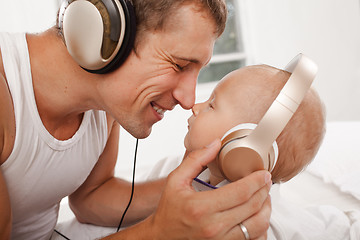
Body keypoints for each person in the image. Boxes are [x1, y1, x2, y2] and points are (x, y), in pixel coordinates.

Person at [0, 0, 272, 240]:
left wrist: (203, 188)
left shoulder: (104, 105)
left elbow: (91, 198)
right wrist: (159, 232)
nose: (188, 100)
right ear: (106, 33)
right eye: (179, 65)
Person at [184, 64, 326, 186]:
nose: (195, 107)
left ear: (248, 148)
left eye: (211, 105)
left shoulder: (252, 216)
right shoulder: (177, 170)